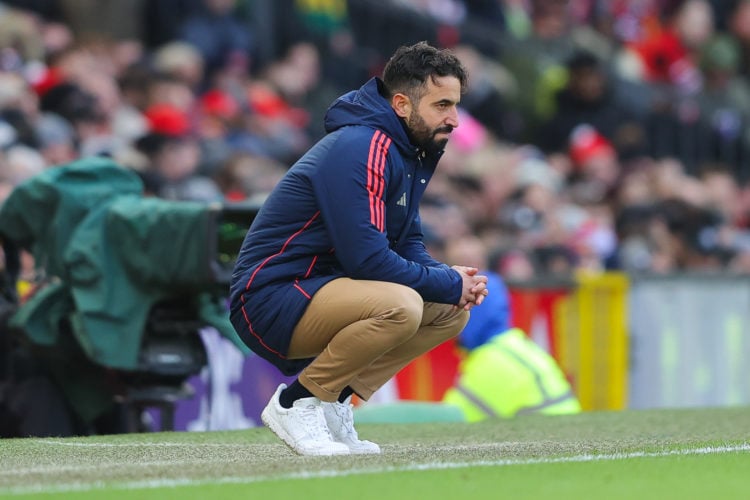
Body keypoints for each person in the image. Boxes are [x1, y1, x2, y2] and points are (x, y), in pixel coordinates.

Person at [229, 42, 489, 456]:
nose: (454, 119)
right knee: (402, 305)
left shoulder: (403, 150)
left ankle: (332, 402)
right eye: (442, 105)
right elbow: (367, 259)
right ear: (402, 104)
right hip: (271, 298)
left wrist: (452, 283)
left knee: (449, 312)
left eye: (455, 105)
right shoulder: (364, 145)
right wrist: (444, 280)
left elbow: (407, 243)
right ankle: (295, 403)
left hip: (323, 291)